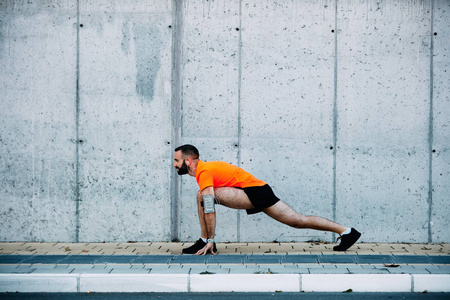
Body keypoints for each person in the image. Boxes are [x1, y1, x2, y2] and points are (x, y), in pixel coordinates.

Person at [173, 144, 361, 255]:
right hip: (258, 190)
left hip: (255, 191)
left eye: (177, 161)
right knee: (297, 221)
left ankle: (206, 241)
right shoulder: (207, 169)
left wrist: (211, 239)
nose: (174, 164)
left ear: (188, 161)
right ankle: (347, 232)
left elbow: (209, 206)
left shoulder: (204, 171)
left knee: (204, 197)